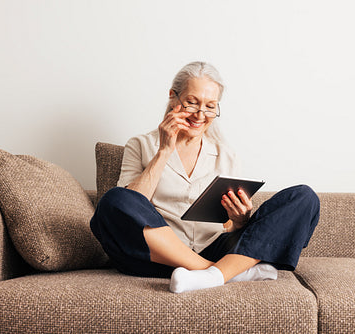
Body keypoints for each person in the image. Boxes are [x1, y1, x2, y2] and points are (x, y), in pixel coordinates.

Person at [90, 61, 320, 293]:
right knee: (114, 200)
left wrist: (239, 219)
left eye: (210, 106)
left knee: (303, 197)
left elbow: (228, 227)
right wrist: (164, 150)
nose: (200, 114)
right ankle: (220, 273)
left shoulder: (226, 154)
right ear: (173, 96)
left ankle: (213, 274)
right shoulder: (140, 145)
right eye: (192, 103)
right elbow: (129, 208)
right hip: (157, 258)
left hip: (214, 247)